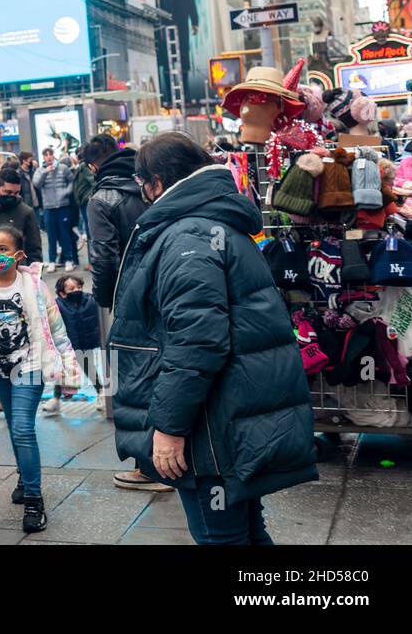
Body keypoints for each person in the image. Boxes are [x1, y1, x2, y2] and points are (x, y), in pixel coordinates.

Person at [109, 133, 317, 544]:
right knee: (245, 532)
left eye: (141, 182)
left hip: (212, 426)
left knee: (220, 535)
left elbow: (196, 343)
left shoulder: (187, 235)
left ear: (156, 180)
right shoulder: (209, 222)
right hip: (230, 416)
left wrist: (168, 428)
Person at [0, 225, 80, 533]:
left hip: (30, 367)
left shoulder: (35, 286)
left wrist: (68, 370)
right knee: (15, 426)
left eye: (3, 249)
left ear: (19, 255)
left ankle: (34, 500)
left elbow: (56, 328)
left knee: (24, 428)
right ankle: (24, 474)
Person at [82, 135, 165, 492]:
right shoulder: (150, 183)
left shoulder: (101, 199)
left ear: (91, 167)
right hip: (169, 286)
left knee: (133, 378)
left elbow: (104, 257)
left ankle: (149, 467)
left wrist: (105, 297)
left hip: (131, 296)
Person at [46, 275, 102, 414]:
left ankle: (101, 394)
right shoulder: (57, 305)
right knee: (63, 373)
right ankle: (56, 399)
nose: (77, 290)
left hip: (85, 344)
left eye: (79, 287)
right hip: (67, 347)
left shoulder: (90, 300)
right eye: (71, 289)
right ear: (62, 293)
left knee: (90, 369)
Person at [32, 148, 77, 272]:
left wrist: (66, 192)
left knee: (65, 234)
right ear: (43, 157)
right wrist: (45, 172)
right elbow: (36, 184)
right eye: (46, 155)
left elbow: (72, 181)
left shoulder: (63, 168)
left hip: (63, 206)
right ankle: (52, 261)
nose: (49, 157)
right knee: (51, 236)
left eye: (50, 154)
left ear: (53, 155)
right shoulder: (40, 170)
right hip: (49, 207)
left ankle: (69, 259)